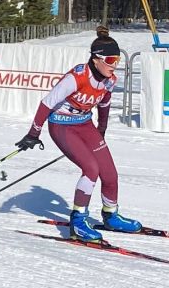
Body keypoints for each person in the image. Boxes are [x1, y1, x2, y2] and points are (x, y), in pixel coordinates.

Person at [15, 28, 142, 241]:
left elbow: (105, 103)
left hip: (85, 124)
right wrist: (33, 133)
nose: (115, 64)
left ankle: (110, 215)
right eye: (111, 59)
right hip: (62, 126)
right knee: (91, 169)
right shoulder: (77, 77)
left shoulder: (110, 79)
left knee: (109, 172)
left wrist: (101, 129)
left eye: (118, 59)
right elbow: (47, 103)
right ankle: (78, 221)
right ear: (96, 59)